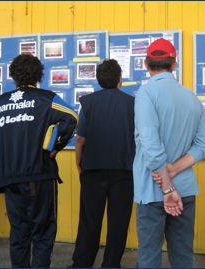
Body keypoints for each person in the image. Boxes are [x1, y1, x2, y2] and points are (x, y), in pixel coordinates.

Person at [0, 54, 78, 267]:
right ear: (38, 74)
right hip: (40, 175)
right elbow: (72, 118)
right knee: (43, 232)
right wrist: (53, 146)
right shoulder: (47, 98)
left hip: (10, 179)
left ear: (13, 76)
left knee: (19, 233)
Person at [133, 38, 205, 268]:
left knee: (149, 257)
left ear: (146, 64)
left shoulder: (146, 94)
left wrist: (167, 185)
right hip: (185, 191)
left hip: (153, 191)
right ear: (174, 64)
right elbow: (203, 145)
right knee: (183, 257)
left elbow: (150, 144)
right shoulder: (192, 98)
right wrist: (175, 169)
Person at [71, 59, 135, 268]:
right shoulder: (131, 103)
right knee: (118, 223)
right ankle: (111, 264)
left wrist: (80, 165)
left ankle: (82, 263)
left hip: (93, 170)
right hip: (124, 171)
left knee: (89, 220)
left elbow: (80, 139)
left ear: (99, 80)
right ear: (120, 79)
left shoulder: (88, 103)